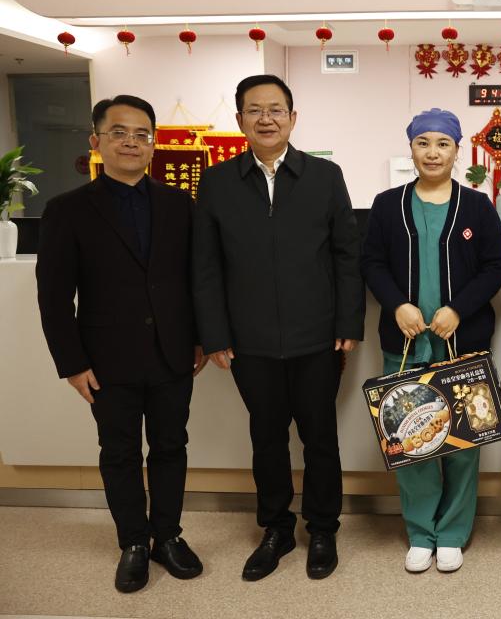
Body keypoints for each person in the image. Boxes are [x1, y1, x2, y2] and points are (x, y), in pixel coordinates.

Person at [192, 74, 364, 581]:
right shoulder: (218, 182)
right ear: (239, 119)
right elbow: (206, 267)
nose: (266, 119)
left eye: (276, 109)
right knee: (266, 437)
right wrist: (215, 334)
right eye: (254, 110)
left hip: (318, 337)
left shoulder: (324, 176)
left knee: (320, 437)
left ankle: (323, 528)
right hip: (249, 341)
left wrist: (348, 321)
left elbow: (346, 255)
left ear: (292, 117)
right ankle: (276, 528)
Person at [36, 95, 207, 593]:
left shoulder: (180, 205)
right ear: (97, 141)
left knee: (171, 446)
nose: (131, 142)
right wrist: (71, 363)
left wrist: (200, 339)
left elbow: (195, 280)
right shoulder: (66, 210)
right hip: (105, 358)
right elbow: (53, 296)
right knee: (119, 452)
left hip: (174, 352)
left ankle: (167, 536)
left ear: (153, 144)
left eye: (141, 134)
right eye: (119, 132)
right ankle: (133, 541)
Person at [361, 108, 501, 573]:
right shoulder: (387, 205)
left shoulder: (478, 206)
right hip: (405, 343)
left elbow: (496, 266)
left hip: (462, 343)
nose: (432, 152)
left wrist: (458, 309)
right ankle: (421, 532)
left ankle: (453, 533)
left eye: (442, 144)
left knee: (465, 441)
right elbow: (372, 263)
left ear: (456, 150)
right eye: (422, 143)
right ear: (411, 149)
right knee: (411, 439)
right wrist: (397, 305)